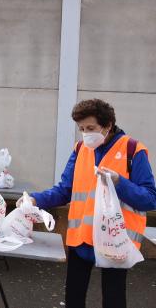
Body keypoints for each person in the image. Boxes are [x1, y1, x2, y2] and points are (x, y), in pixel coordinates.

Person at [19, 99, 156, 308]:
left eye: (90, 128)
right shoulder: (81, 148)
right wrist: (36, 199)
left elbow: (149, 198)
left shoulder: (133, 150)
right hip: (82, 237)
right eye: (81, 128)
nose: (85, 133)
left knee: (114, 299)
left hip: (116, 239)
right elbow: (65, 190)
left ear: (108, 125)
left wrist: (119, 182)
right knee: (74, 298)